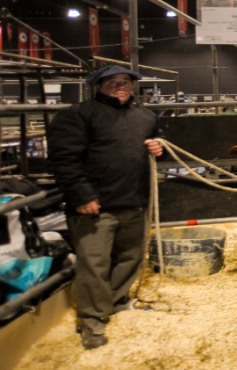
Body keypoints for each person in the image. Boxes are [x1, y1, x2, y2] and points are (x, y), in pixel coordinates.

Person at [47, 65, 164, 349]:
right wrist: (82, 196)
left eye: (125, 81)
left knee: (131, 258)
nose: (120, 86)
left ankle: (115, 301)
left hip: (134, 202)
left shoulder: (145, 117)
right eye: (112, 82)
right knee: (94, 264)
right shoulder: (78, 115)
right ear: (97, 86)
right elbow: (64, 160)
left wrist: (160, 148)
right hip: (95, 206)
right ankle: (92, 320)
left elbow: (157, 149)